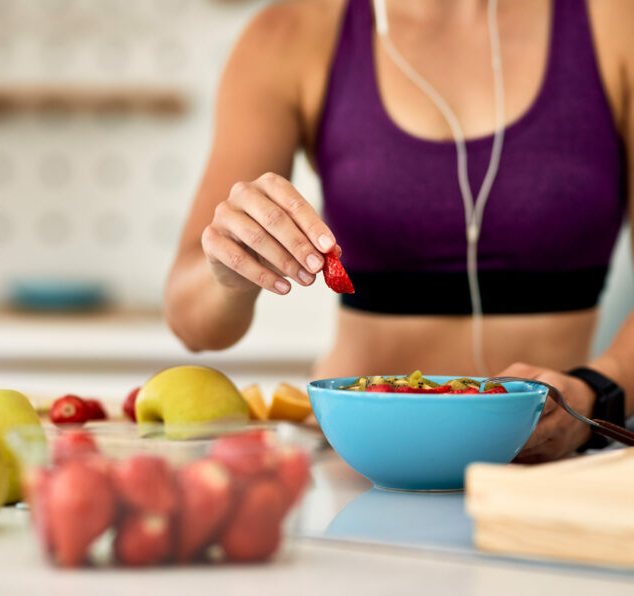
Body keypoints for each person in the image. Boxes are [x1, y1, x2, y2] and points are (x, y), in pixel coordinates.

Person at [164, 0, 634, 462]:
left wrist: (597, 390)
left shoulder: (616, 23)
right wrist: (228, 272)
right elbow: (192, 322)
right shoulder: (289, 35)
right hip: (353, 462)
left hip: (542, 464)